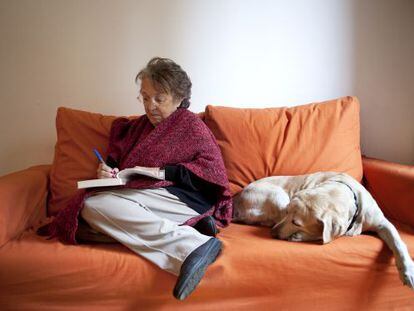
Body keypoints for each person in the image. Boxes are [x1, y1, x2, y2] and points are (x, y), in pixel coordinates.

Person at [37, 57, 233, 300]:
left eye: (159, 98)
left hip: (184, 197)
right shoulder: (138, 127)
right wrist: (108, 171)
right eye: (145, 97)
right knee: (92, 205)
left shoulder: (191, 125)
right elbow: (119, 161)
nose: (150, 106)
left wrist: (162, 173)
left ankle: (191, 245)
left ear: (180, 97)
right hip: (144, 195)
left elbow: (210, 173)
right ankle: (193, 230)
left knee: (92, 206)